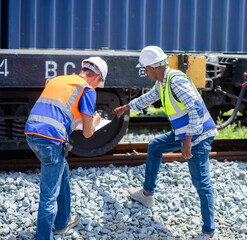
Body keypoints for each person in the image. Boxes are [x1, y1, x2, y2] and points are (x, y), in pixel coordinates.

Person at [112, 46, 218, 240]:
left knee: (201, 183)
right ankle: (147, 194)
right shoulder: (163, 81)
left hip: (198, 135)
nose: (144, 72)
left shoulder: (175, 81)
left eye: (145, 68)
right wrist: (127, 107)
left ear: (153, 67)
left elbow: (196, 108)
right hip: (183, 133)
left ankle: (209, 232)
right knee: (155, 146)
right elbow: (150, 97)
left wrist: (188, 140)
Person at [25, 57, 108, 239]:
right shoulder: (87, 90)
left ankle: (63, 222)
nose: (97, 87)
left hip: (31, 133)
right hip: (51, 140)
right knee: (49, 193)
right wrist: (95, 120)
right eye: (100, 83)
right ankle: (43, 236)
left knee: (62, 170)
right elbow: (87, 133)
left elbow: (57, 110)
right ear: (96, 77)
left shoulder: (58, 80)